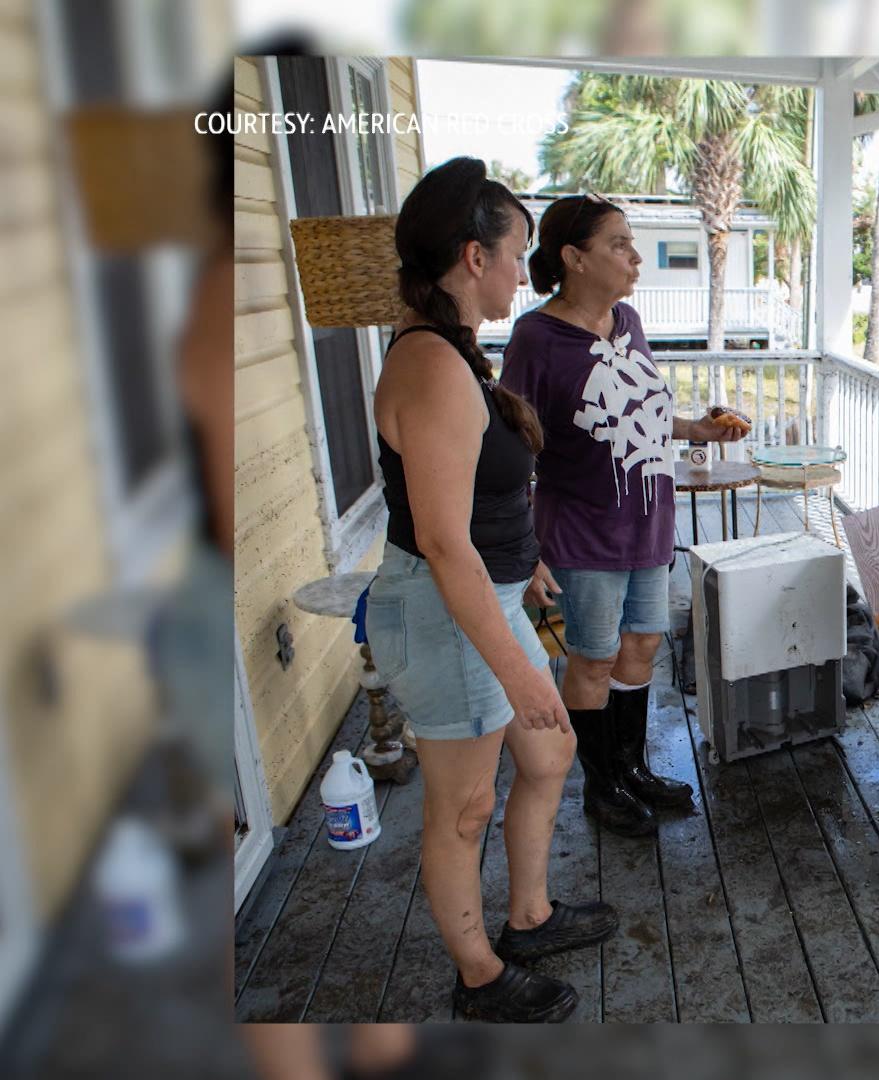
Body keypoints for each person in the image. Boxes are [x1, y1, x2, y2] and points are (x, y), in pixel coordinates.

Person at [361, 158, 610, 1023]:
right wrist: (512, 665)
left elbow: (478, 501)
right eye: (515, 255)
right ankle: (479, 975)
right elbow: (438, 539)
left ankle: (530, 916)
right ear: (474, 256)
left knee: (548, 754)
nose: (520, 273)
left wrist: (528, 563)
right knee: (464, 807)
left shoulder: (456, 355)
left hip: (484, 597)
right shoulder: (431, 367)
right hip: (444, 614)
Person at [502, 194, 746, 838]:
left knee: (641, 647)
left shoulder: (628, 321)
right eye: (618, 244)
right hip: (582, 529)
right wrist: (523, 544)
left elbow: (644, 413)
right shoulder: (536, 338)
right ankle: (600, 786)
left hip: (648, 521)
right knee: (593, 658)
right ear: (573, 258)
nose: (635, 257)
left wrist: (698, 425)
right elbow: (511, 445)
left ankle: (631, 768)